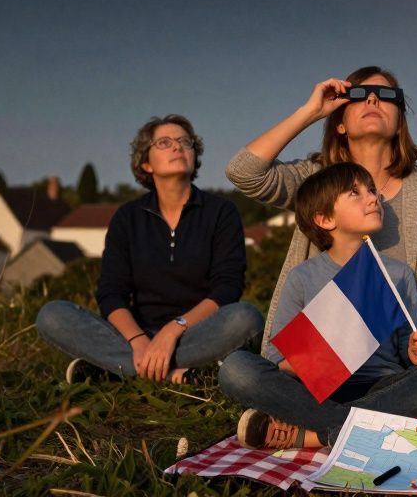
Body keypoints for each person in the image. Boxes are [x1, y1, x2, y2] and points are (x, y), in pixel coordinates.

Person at [218, 163, 417, 449]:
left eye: (372, 190)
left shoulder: (397, 274)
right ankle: (377, 426)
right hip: (314, 392)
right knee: (236, 368)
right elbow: (278, 359)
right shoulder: (302, 276)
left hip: (384, 388)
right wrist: (325, 356)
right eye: (355, 193)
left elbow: (406, 354)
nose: (373, 197)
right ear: (325, 218)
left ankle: (316, 435)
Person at [225, 66, 417, 345]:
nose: (372, 100)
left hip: (392, 353)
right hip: (317, 352)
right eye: (359, 94)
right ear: (340, 124)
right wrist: (309, 113)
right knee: (240, 372)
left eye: (385, 95)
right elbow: (243, 172)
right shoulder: (316, 177)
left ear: (399, 123)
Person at [36, 115, 263, 385]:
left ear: (194, 155)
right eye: (164, 142)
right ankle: (176, 374)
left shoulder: (221, 212)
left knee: (246, 318)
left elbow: (227, 289)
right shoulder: (127, 217)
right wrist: (140, 341)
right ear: (146, 163)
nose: (177, 147)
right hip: (136, 335)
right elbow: (111, 293)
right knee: (52, 316)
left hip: (197, 333)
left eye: (185, 142)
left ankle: (116, 370)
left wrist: (172, 331)